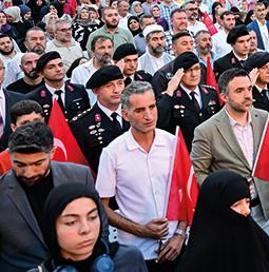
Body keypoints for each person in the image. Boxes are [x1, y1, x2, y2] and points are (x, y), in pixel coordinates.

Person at [96, 82, 187, 272]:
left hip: (176, 248)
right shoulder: (112, 153)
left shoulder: (173, 143)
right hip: (136, 254)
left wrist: (180, 234)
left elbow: (187, 194)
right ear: (125, 114)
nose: (148, 115)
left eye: (152, 107)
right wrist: (142, 230)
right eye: (139, 110)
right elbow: (102, 207)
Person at [0, 122, 107, 271]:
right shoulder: (2, 191)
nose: (28, 172)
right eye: (20, 165)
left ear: (52, 152)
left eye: (37, 163)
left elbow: (101, 224)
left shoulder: (80, 176)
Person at [190, 68, 269, 236]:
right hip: (230, 214)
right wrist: (222, 196)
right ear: (224, 97)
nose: (248, 95)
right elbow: (198, 172)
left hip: (264, 209)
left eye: (249, 88)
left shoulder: (264, 119)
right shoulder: (206, 131)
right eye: (239, 91)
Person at [176, 171, 269, 272]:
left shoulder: (259, 240)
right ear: (216, 207)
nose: (246, 210)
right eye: (236, 205)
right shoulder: (198, 258)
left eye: (247, 202)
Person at [38, 183, 147, 272]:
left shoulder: (129, 258)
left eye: (92, 217)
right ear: (51, 229)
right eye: (71, 222)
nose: (86, 229)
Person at [70, 65, 129, 172]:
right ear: (96, 91)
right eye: (109, 86)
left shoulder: (133, 113)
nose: (117, 90)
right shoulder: (81, 124)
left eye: (120, 83)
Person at [157, 52, 220, 149]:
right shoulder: (170, 97)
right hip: (185, 152)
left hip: (210, 149)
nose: (194, 74)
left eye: (197, 69)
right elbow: (160, 123)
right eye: (188, 70)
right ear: (179, 74)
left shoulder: (211, 93)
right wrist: (170, 90)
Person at [26, 51, 90, 120]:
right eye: (51, 67)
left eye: (60, 65)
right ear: (41, 74)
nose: (58, 69)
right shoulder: (34, 98)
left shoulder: (79, 90)